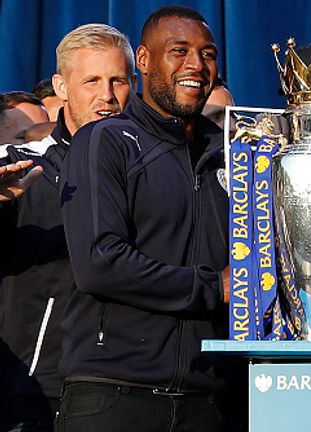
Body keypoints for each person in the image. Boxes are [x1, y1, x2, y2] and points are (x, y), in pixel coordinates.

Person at [57, 6, 232, 432]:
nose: (196, 65)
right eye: (179, 51)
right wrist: (214, 287)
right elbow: (101, 262)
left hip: (209, 400)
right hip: (113, 395)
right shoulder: (106, 141)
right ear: (145, 61)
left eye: (207, 54)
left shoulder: (232, 156)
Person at [0, 23, 134, 432]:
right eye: (91, 80)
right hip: (32, 393)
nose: (106, 96)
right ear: (61, 85)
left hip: (129, 388)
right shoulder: (19, 163)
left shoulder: (155, 168)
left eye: (118, 80)